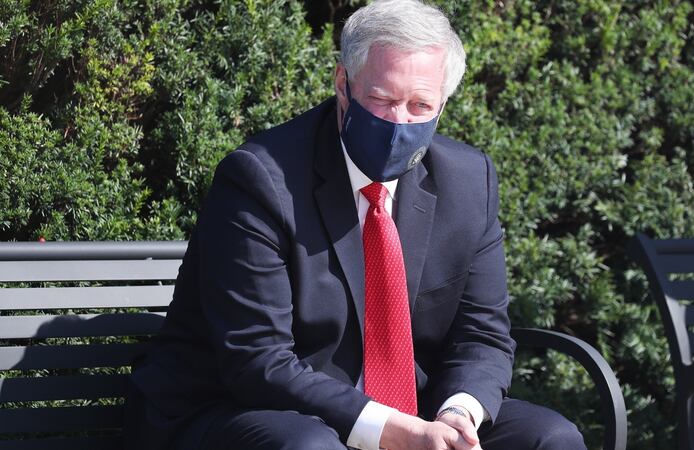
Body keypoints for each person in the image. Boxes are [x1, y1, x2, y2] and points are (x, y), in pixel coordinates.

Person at [125, 1, 586, 449]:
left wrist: (457, 416)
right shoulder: (261, 179)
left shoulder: (469, 182)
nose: (399, 122)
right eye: (382, 100)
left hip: (414, 412)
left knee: (549, 437)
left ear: (443, 103)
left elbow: (483, 335)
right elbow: (258, 362)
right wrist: (394, 431)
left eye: (420, 105)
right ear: (343, 83)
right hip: (246, 411)